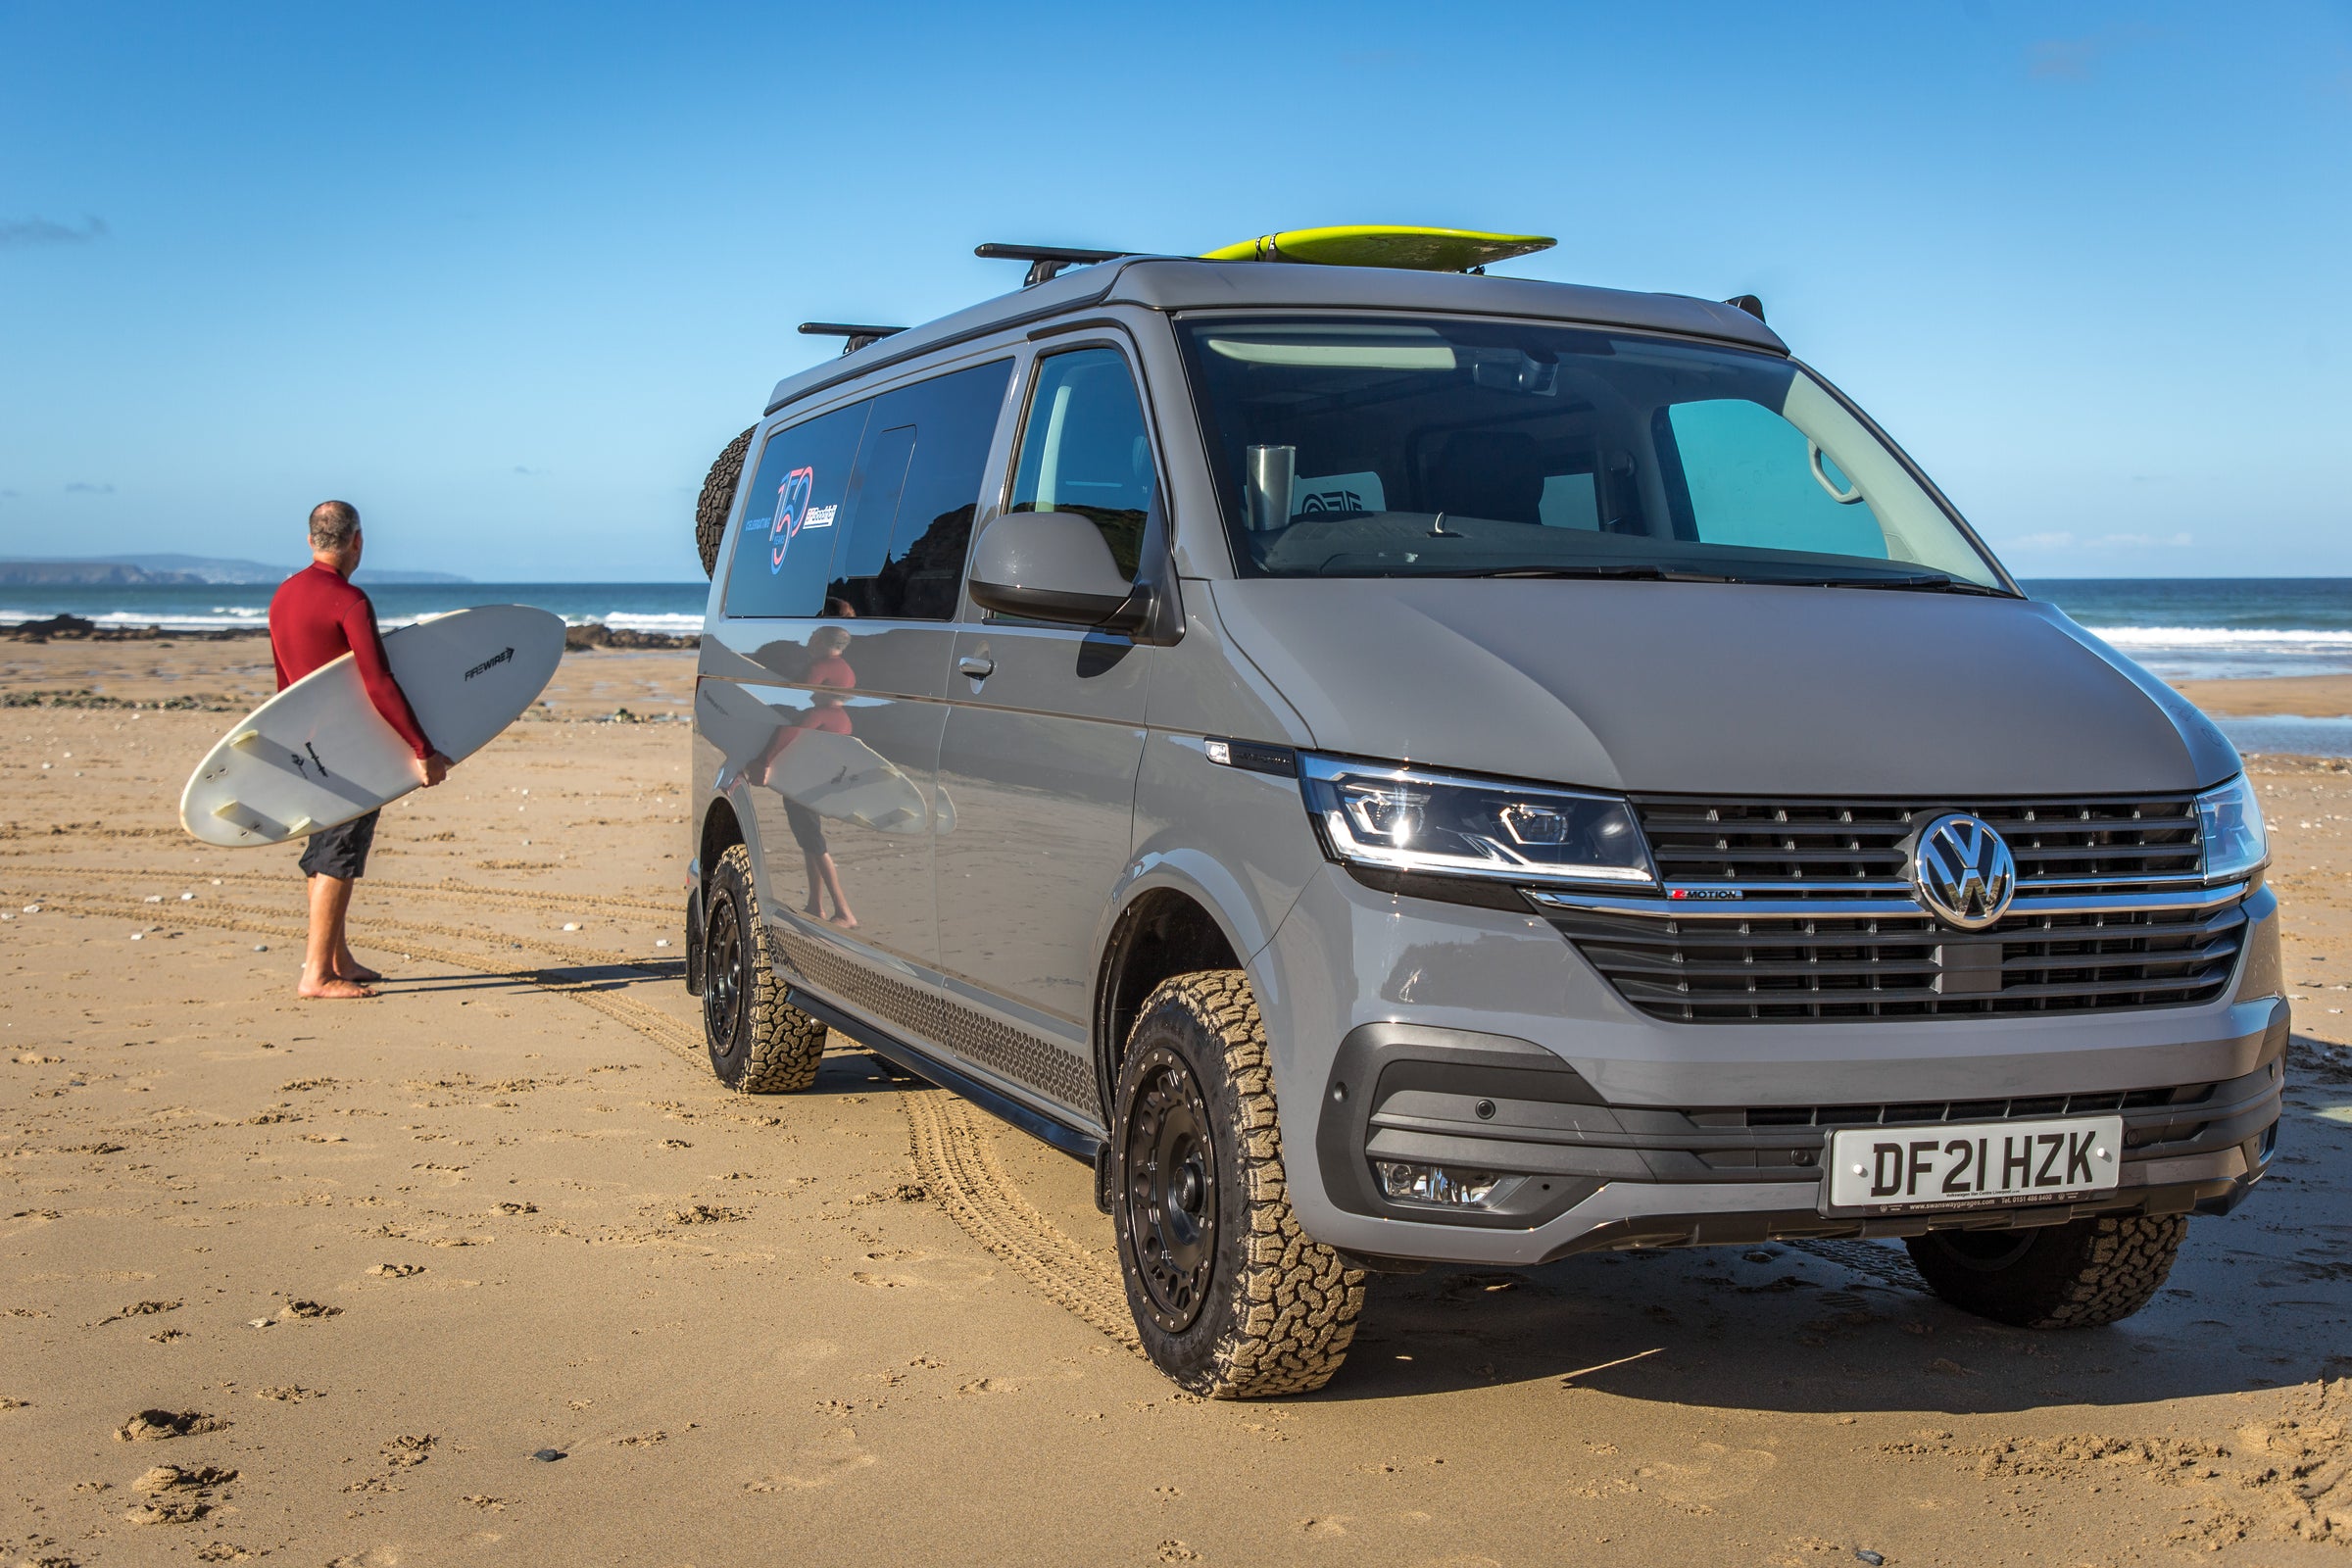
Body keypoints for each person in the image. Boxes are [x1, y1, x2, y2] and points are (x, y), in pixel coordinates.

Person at [267, 501, 453, 999]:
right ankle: (317, 974)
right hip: (348, 749)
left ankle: (335, 958)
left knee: (323, 848)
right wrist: (422, 748)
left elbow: (285, 684)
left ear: (311, 540)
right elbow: (379, 682)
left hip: (305, 744)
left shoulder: (283, 596)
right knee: (339, 854)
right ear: (357, 541)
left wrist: (289, 742)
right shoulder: (348, 601)